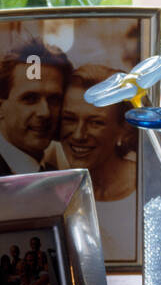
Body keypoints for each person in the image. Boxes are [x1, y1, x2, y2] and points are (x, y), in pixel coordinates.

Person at [54, 65, 137, 203]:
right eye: (70, 119)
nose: (78, 135)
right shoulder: (50, 174)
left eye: (95, 123)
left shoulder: (147, 182)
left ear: (124, 128)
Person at [0, 39, 71, 175]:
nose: (45, 112)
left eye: (54, 99)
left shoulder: (56, 175)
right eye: (30, 98)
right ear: (1, 107)